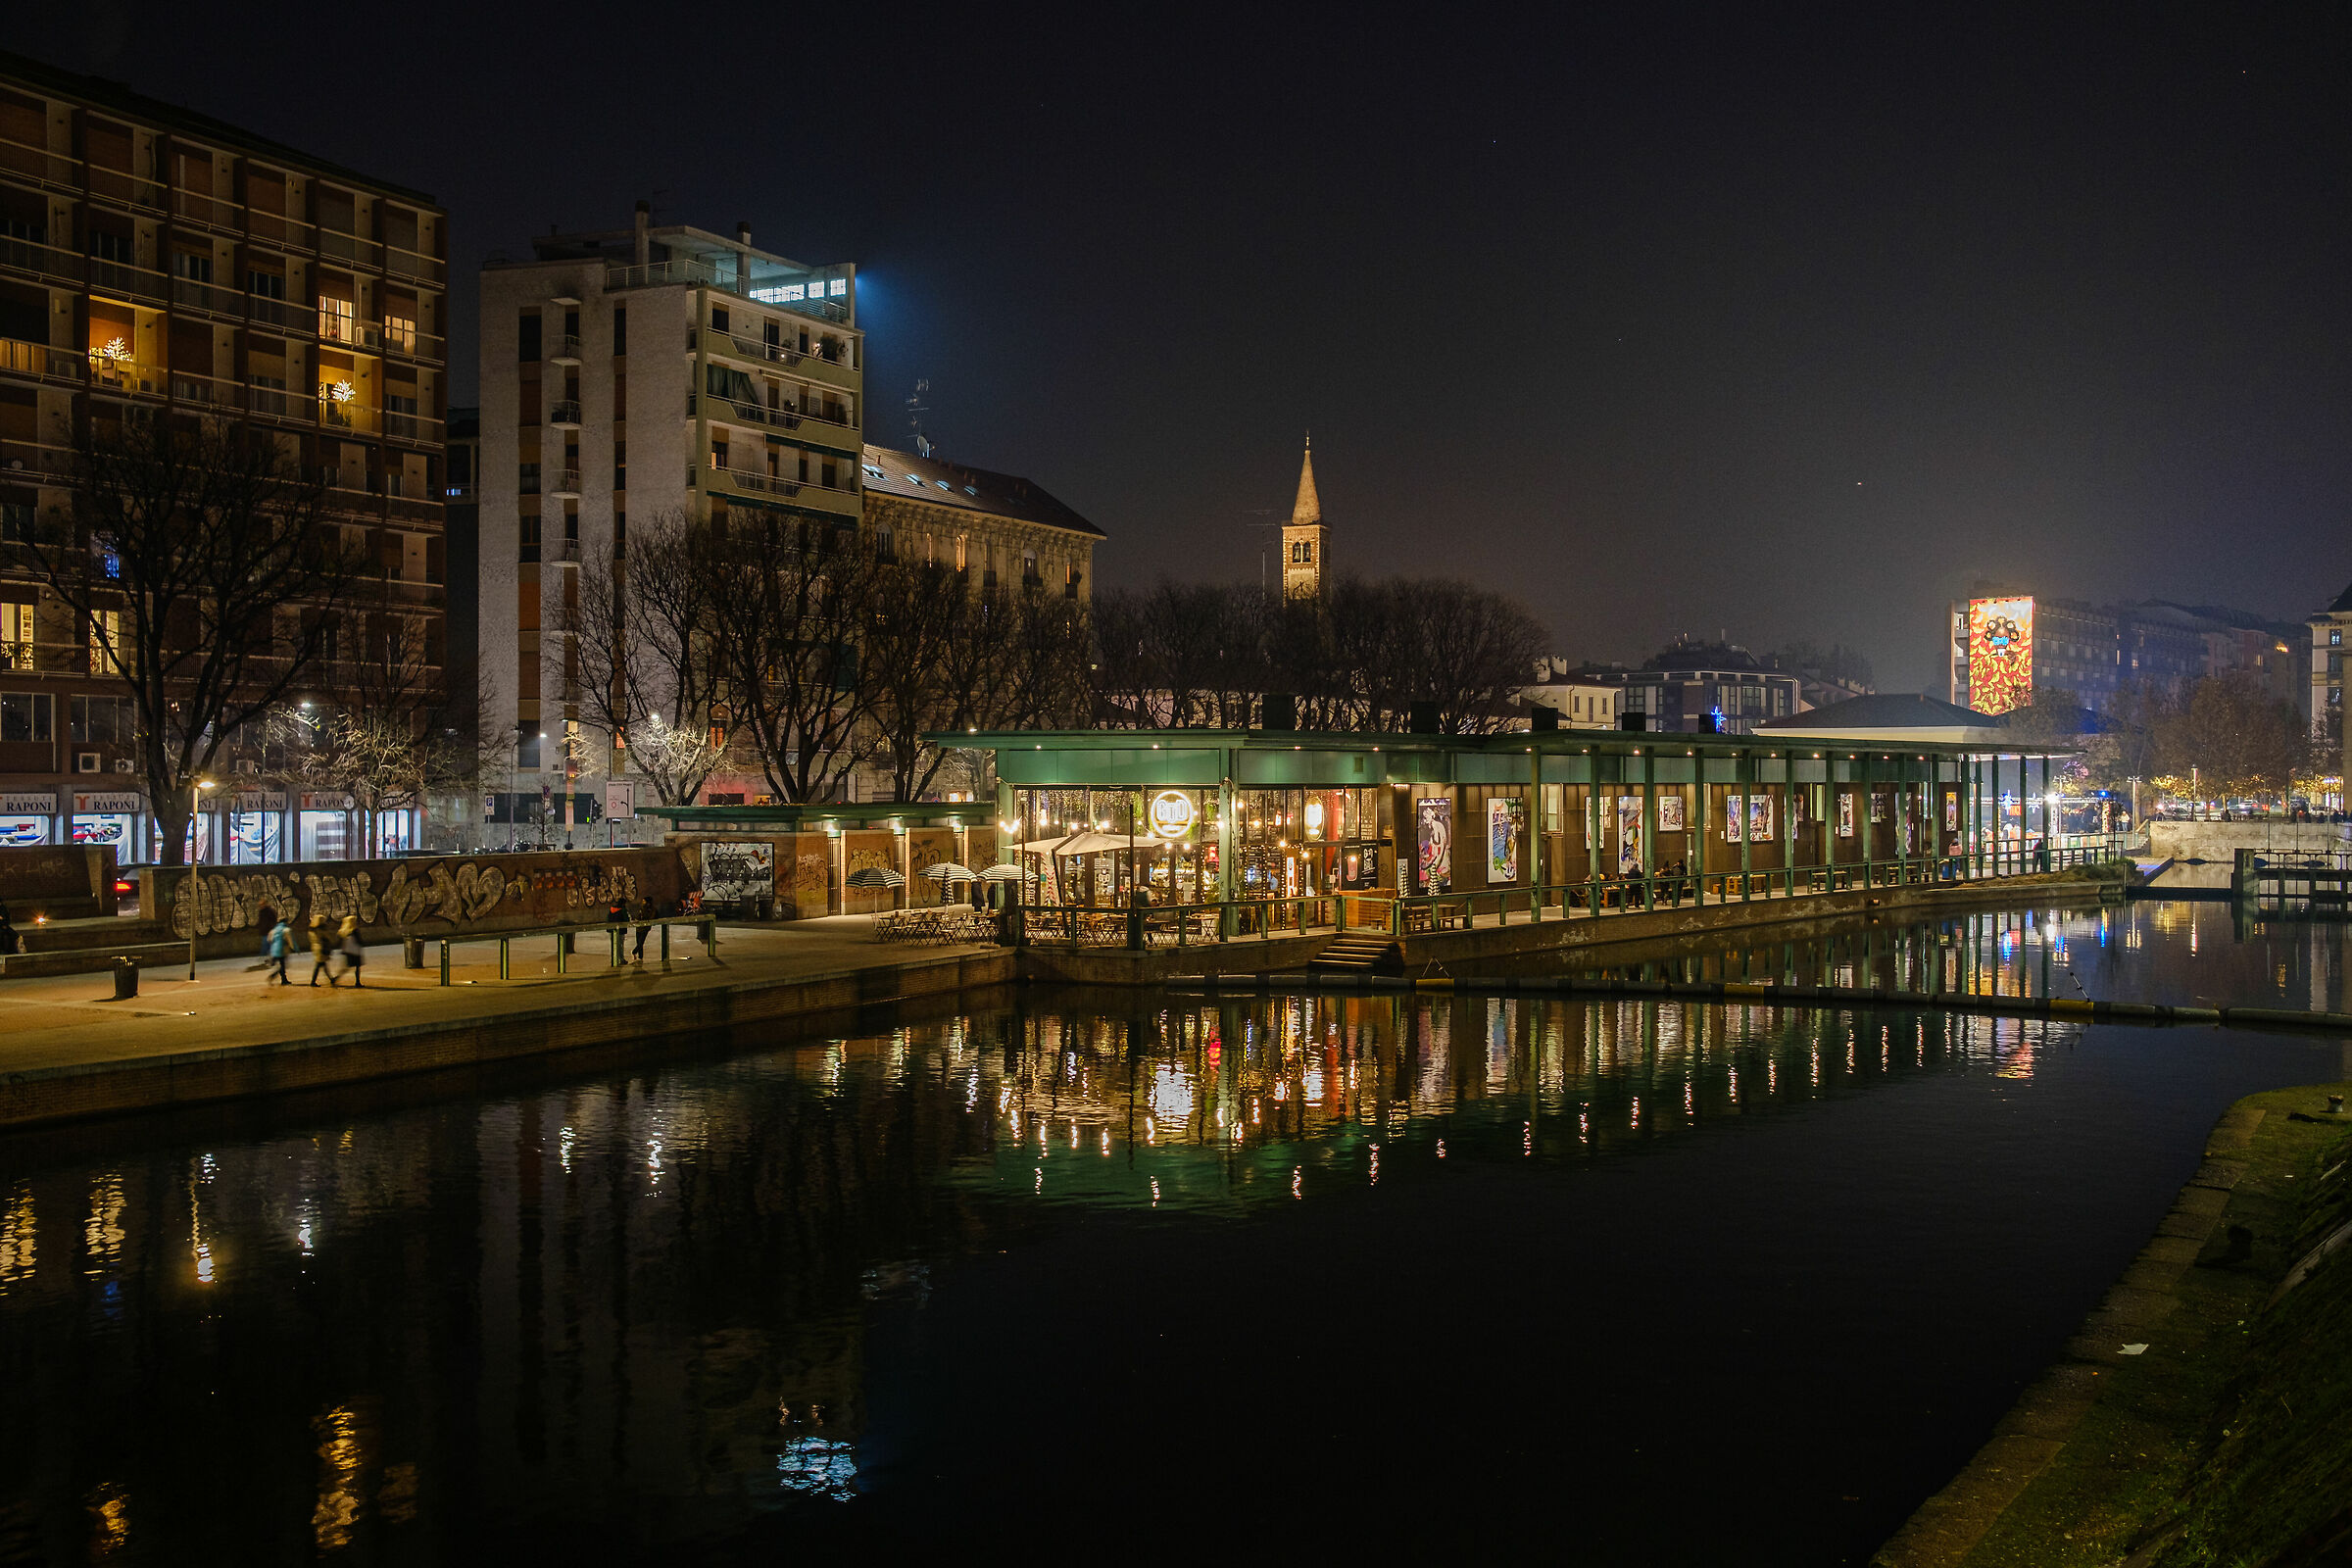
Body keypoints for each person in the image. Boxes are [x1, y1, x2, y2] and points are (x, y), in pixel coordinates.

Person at [308, 915, 337, 987]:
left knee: (323, 965)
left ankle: (331, 979)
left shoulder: (311, 930)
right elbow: (328, 938)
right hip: (321, 948)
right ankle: (313, 982)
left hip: (315, 948)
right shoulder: (321, 930)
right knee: (318, 965)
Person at [337, 914, 366, 987]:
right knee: (357, 967)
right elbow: (359, 941)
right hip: (355, 951)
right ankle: (357, 982)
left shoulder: (343, 931)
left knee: (346, 967)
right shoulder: (355, 930)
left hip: (347, 951)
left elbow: (340, 942)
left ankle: (336, 978)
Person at [265, 915, 294, 986]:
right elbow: (290, 940)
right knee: (282, 966)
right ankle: (273, 977)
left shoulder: (274, 930)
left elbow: (269, 939)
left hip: (274, 950)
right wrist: (293, 948)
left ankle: (284, 980)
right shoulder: (286, 930)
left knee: (281, 966)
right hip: (282, 951)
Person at [632, 897, 653, 962]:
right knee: (639, 942)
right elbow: (639, 916)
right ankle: (640, 957)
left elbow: (651, 917)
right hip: (638, 927)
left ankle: (634, 952)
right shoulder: (641, 908)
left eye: (644, 901)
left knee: (641, 942)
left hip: (645, 928)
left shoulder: (651, 909)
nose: (643, 902)